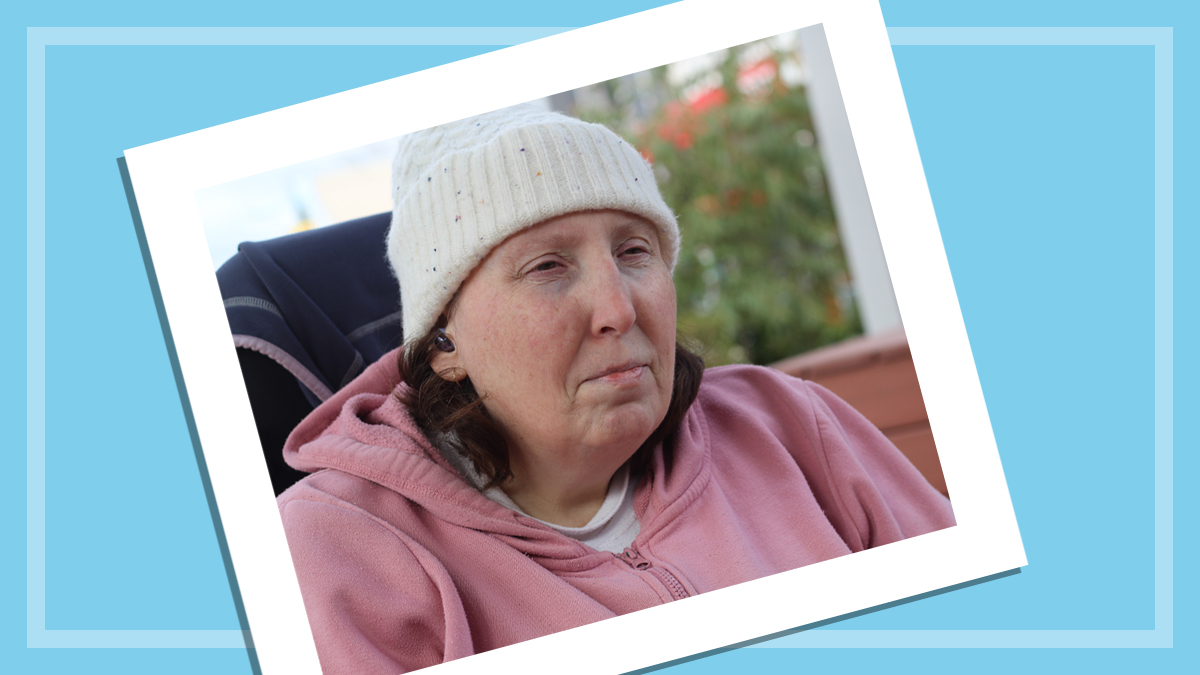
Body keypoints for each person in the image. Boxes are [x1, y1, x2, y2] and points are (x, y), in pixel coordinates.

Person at [277, 103, 954, 674]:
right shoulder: (332, 552)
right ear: (445, 342)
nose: (620, 309)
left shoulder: (789, 423)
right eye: (548, 266)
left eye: (635, 251)